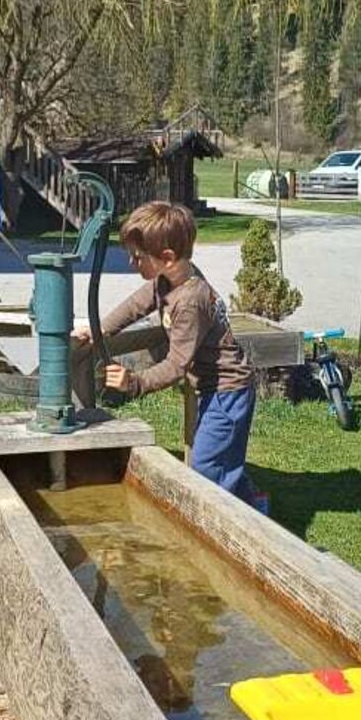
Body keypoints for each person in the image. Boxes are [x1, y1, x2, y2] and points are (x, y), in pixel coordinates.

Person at [72, 201, 258, 502]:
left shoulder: (190, 301)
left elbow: (176, 365)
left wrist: (134, 382)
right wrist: (99, 330)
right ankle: (256, 507)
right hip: (213, 389)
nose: (132, 263)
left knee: (207, 468)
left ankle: (237, 526)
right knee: (221, 460)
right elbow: (136, 305)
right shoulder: (168, 279)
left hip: (228, 391)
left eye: (138, 257)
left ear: (167, 257)